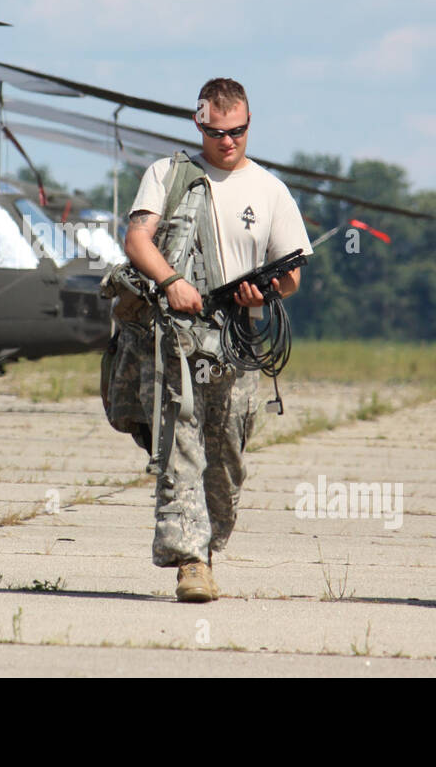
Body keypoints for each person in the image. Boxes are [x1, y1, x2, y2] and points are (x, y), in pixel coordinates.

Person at [123, 77, 311, 602]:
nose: (227, 142)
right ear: (198, 124)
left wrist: (263, 294)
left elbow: (292, 276)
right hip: (175, 335)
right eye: (216, 132)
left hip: (236, 337)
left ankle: (209, 542)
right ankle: (191, 560)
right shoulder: (167, 175)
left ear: (249, 125)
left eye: (238, 132)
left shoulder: (270, 190)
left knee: (226, 458)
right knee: (178, 444)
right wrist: (172, 281)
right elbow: (137, 238)